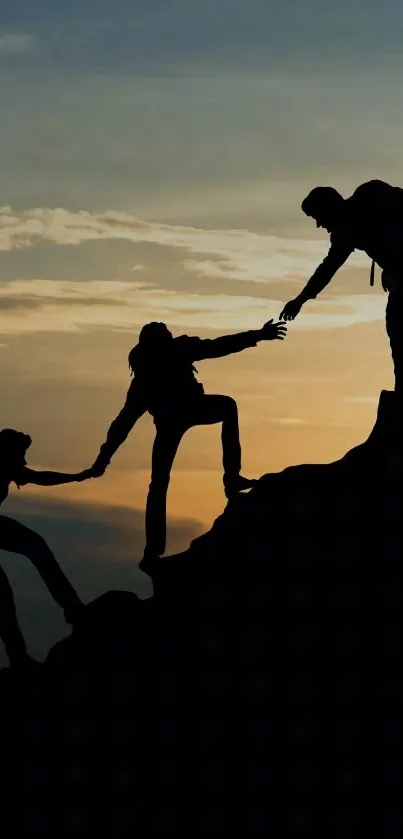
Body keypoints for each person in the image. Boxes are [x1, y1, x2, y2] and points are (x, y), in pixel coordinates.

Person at [88, 319, 287, 569]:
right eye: (165, 336)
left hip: (184, 412)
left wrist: (257, 335)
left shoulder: (167, 358)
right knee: (159, 481)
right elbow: (122, 424)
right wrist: (102, 460)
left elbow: (218, 346)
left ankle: (230, 479)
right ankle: (154, 548)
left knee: (161, 480)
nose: (169, 338)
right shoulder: (150, 373)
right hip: (175, 418)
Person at [280, 179, 403, 391]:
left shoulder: (370, 195)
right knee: (397, 329)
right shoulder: (346, 230)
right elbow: (327, 268)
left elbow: (327, 268)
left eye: (317, 217)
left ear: (329, 208)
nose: (319, 225)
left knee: (399, 325)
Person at [0, 428, 89, 669]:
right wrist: (78, 477)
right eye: (22, 454)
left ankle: (72, 607)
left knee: (36, 546)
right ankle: (18, 656)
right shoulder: (3, 462)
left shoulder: (8, 465)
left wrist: (77, 477)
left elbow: (37, 476)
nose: (24, 460)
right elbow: (41, 477)